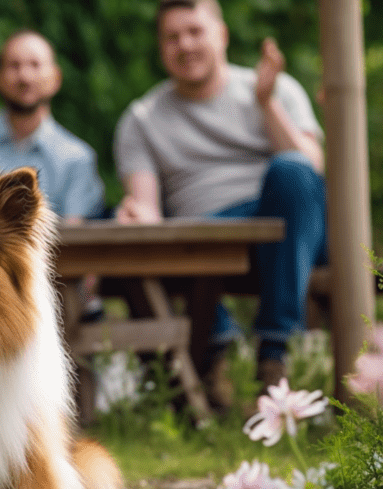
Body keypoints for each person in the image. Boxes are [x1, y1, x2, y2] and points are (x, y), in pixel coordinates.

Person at [113, 0, 326, 407]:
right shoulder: (142, 118)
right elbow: (149, 212)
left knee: (291, 171)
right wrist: (137, 213)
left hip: (286, 225)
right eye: (172, 37)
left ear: (221, 35)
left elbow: (310, 170)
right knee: (144, 233)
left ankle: (274, 356)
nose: (185, 45)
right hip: (202, 234)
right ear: (161, 48)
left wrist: (267, 104)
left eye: (195, 31)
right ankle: (219, 349)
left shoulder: (276, 88)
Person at [0, 30, 105, 224]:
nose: (24, 76)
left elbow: (72, 240)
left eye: (35, 65)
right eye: (14, 66)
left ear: (56, 78)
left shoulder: (78, 159)